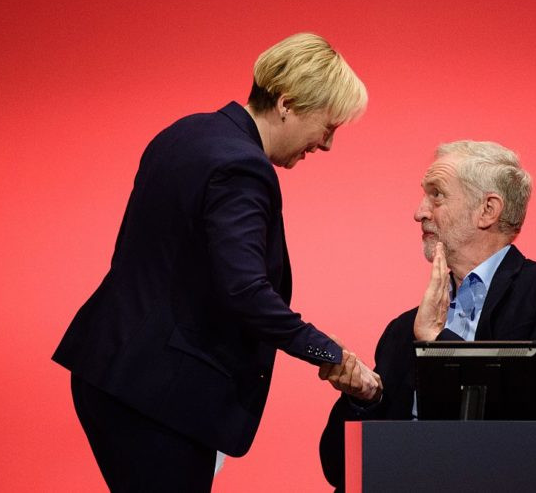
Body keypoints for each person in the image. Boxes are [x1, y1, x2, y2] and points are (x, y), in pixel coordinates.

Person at [52, 33, 381, 491]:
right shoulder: (242, 167)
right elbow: (245, 291)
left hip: (112, 371)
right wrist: (330, 353)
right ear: (286, 104)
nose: (325, 145)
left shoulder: (187, 132)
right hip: (156, 396)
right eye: (328, 127)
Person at [319, 140, 536, 490]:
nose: (419, 212)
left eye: (436, 195)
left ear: (487, 210)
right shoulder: (401, 331)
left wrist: (438, 342)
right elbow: (340, 471)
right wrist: (364, 398)